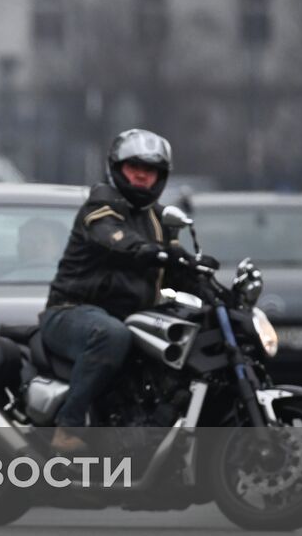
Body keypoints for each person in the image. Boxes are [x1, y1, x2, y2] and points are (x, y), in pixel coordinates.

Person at [40, 129, 206, 452]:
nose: (142, 175)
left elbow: (172, 271)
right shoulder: (101, 206)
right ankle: (68, 426)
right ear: (117, 168)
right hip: (71, 312)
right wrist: (146, 250)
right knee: (112, 335)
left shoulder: (158, 219)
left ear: (161, 176)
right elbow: (114, 238)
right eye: (134, 167)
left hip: (127, 318)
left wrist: (200, 277)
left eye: (151, 170)